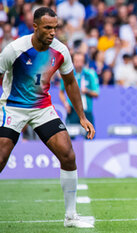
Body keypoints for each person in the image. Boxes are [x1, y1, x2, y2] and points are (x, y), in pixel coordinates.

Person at [0, 7, 95, 228]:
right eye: (48, 27)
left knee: (68, 155)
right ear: (35, 27)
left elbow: (70, 83)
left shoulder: (61, 51)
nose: (53, 32)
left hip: (42, 107)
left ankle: (71, 217)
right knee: (1, 157)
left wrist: (82, 117)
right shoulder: (14, 49)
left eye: (55, 27)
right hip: (13, 107)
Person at [59, 52, 99, 127]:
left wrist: (87, 91)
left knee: (89, 134)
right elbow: (61, 92)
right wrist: (65, 103)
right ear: (72, 62)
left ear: (84, 62)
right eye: (76, 61)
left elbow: (96, 93)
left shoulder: (90, 74)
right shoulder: (67, 74)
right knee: (71, 135)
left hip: (86, 110)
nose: (78, 63)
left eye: (80, 61)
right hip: (72, 110)